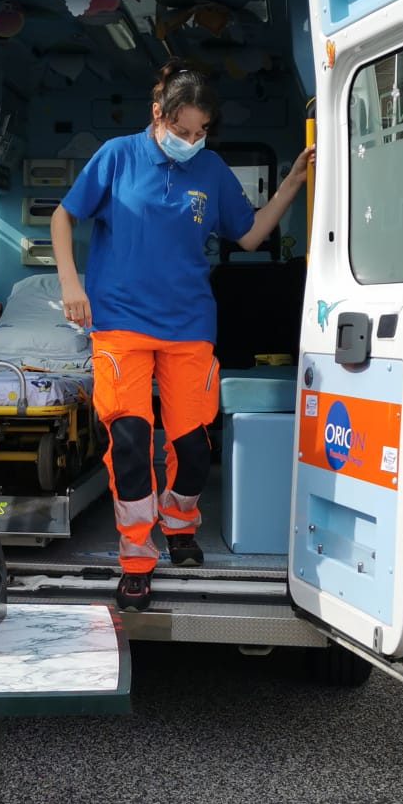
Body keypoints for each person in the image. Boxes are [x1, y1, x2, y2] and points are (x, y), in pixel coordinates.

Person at [50, 63, 312, 611]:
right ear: (158, 115)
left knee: (192, 446)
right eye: (182, 129)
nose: (191, 141)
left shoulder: (211, 170)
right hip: (120, 324)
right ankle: (136, 556)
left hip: (189, 325)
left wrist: (292, 181)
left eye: (201, 132)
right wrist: (72, 284)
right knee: (129, 442)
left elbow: (249, 234)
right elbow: (63, 216)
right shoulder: (118, 156)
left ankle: (179, 522)